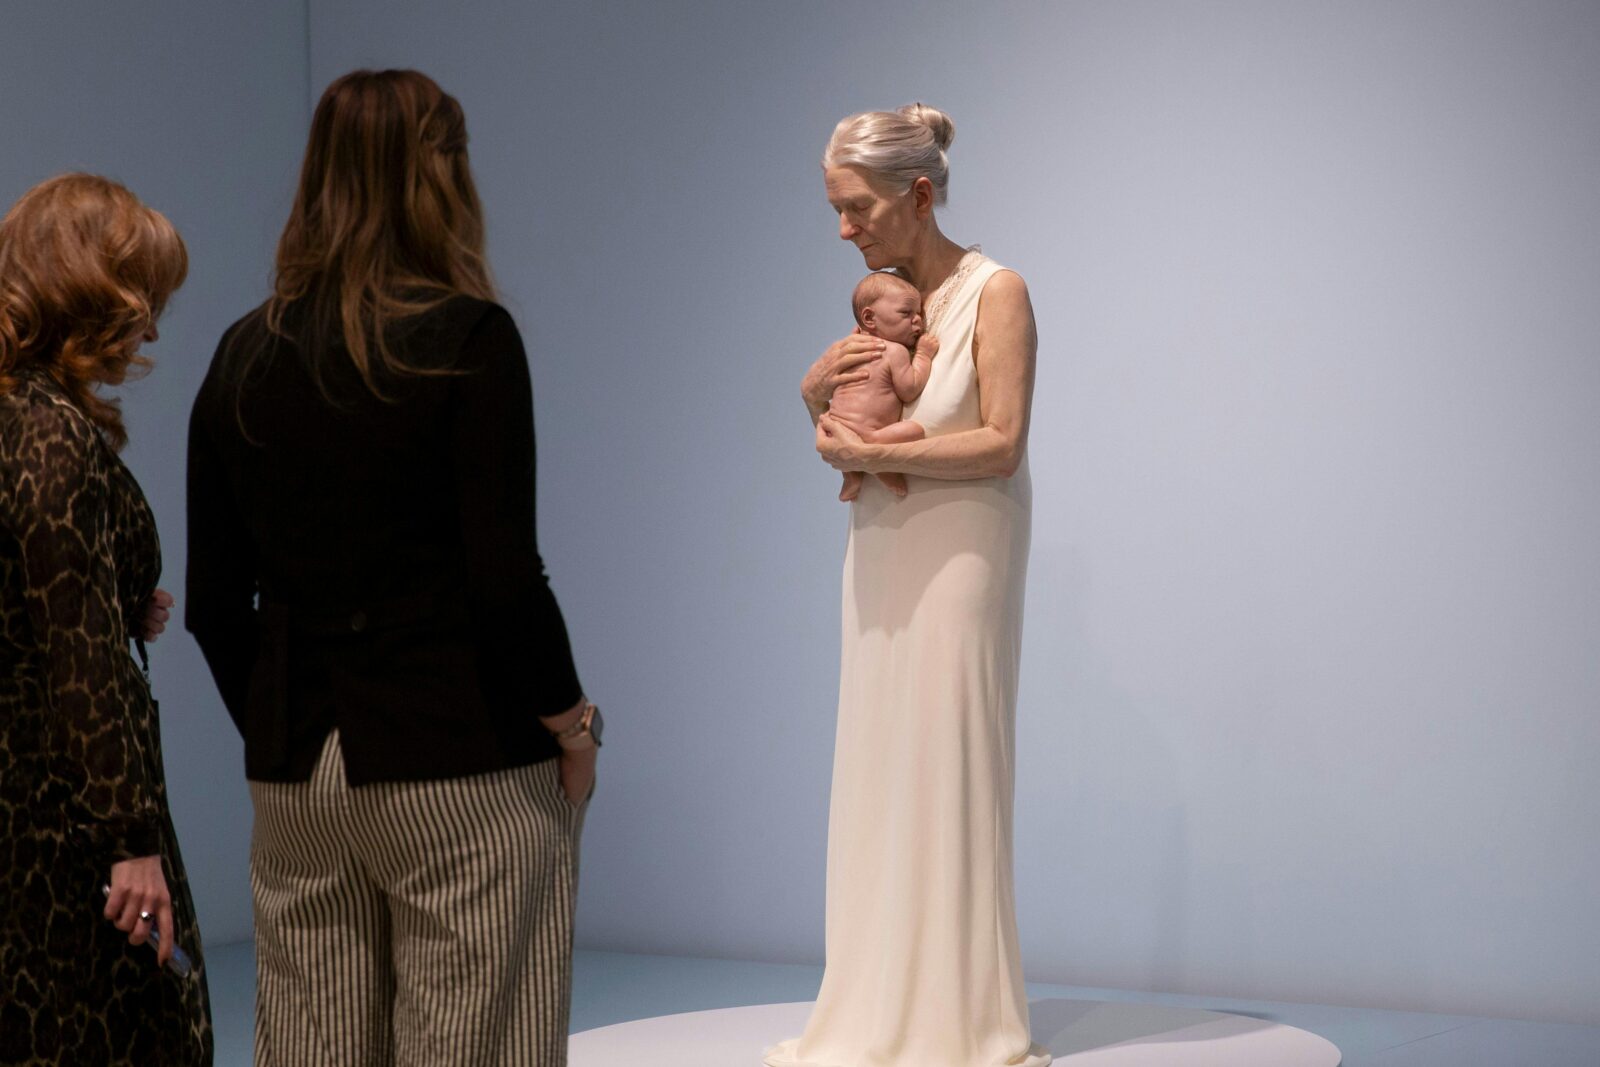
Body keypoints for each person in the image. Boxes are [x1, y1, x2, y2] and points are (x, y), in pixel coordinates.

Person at [185, 69, 599, 1067]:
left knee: (314, 1043)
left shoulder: (242, 351)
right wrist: (570, 720)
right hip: (457, 754)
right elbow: (505, 576)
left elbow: (211, 604)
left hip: (297, 771)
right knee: (474, 1040)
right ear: (441, 175)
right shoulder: (468, 337)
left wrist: (289, 717)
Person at [765, 105, 1052, 1067]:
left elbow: (1003, 442)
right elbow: (854, 415)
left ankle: (961, 1021)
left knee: (951, 759)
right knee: (881, 759)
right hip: (882, 542)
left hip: (965, 546)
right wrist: (815, 399)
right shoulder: (877, 302)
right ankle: (879, 1005)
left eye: (856, 208)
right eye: (837, 209)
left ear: (918, 194)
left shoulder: (996, 292)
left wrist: (880, 453)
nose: (843, 229)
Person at [0, 173, 212, 1065]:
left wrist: (123, 592)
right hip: (62, 823)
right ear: (87, 289)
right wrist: (131, 842)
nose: (151, 327)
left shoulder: (17, 413)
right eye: (141, 299)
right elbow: (78, 657)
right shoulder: (48, 432)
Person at [829, 271, 940, 501]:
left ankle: (852, 477)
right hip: (871, 434)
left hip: (836, 427)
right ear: (869, 318)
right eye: (906, 313)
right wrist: (923, 355)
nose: (918, 319)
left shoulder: (852, 346)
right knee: (915, 431)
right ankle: (878, 463)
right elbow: (909, 390)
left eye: (918, 313)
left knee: (848, 448)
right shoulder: (894, 351)